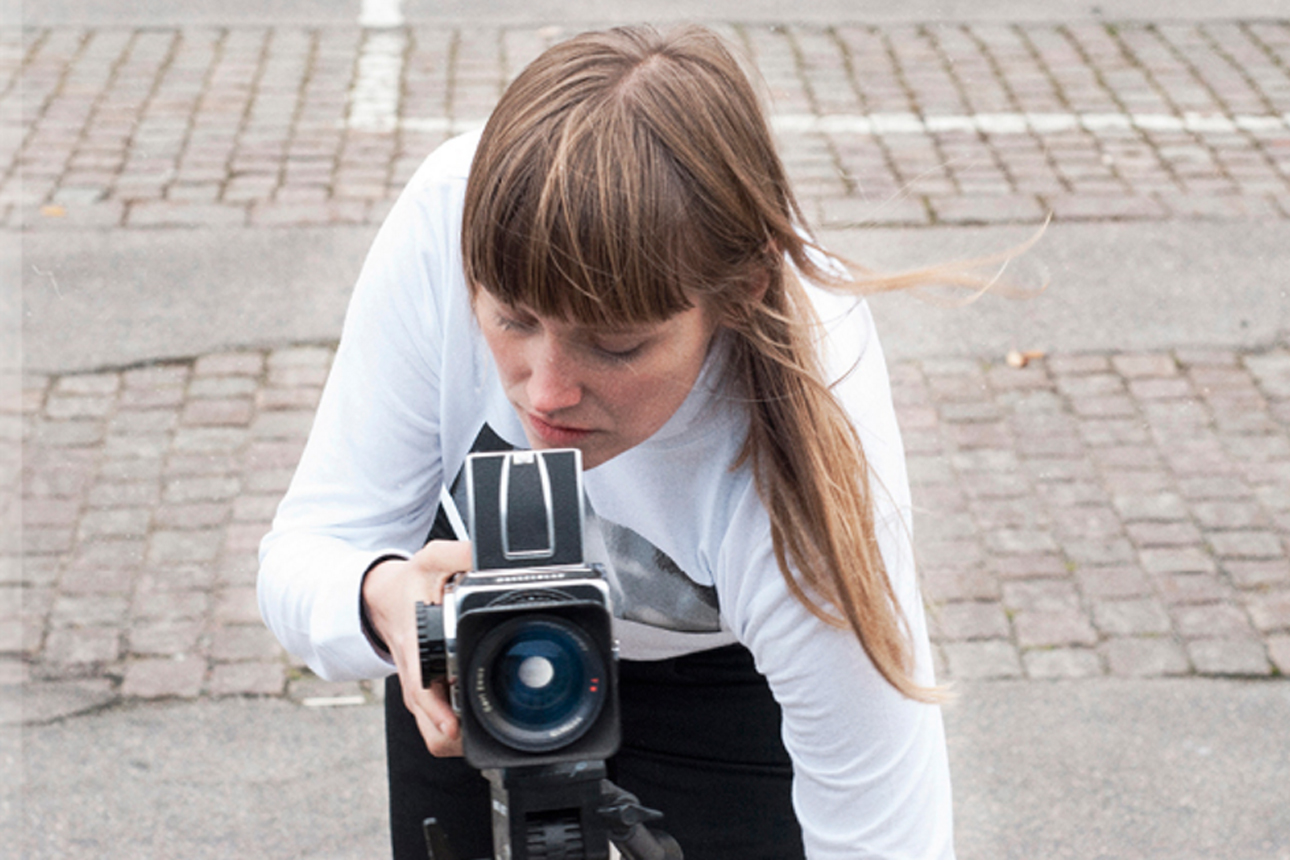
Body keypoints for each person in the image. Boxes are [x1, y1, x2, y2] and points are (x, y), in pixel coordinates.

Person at [259, 24, 956, 860]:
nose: (545, 392)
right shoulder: (453, 208)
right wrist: (384, 603)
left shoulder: (806, 456)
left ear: (739, 294)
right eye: (511, 318)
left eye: (616, 345)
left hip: (720, 690)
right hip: (483, 645)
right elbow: (305, 553)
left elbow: (884, 834)